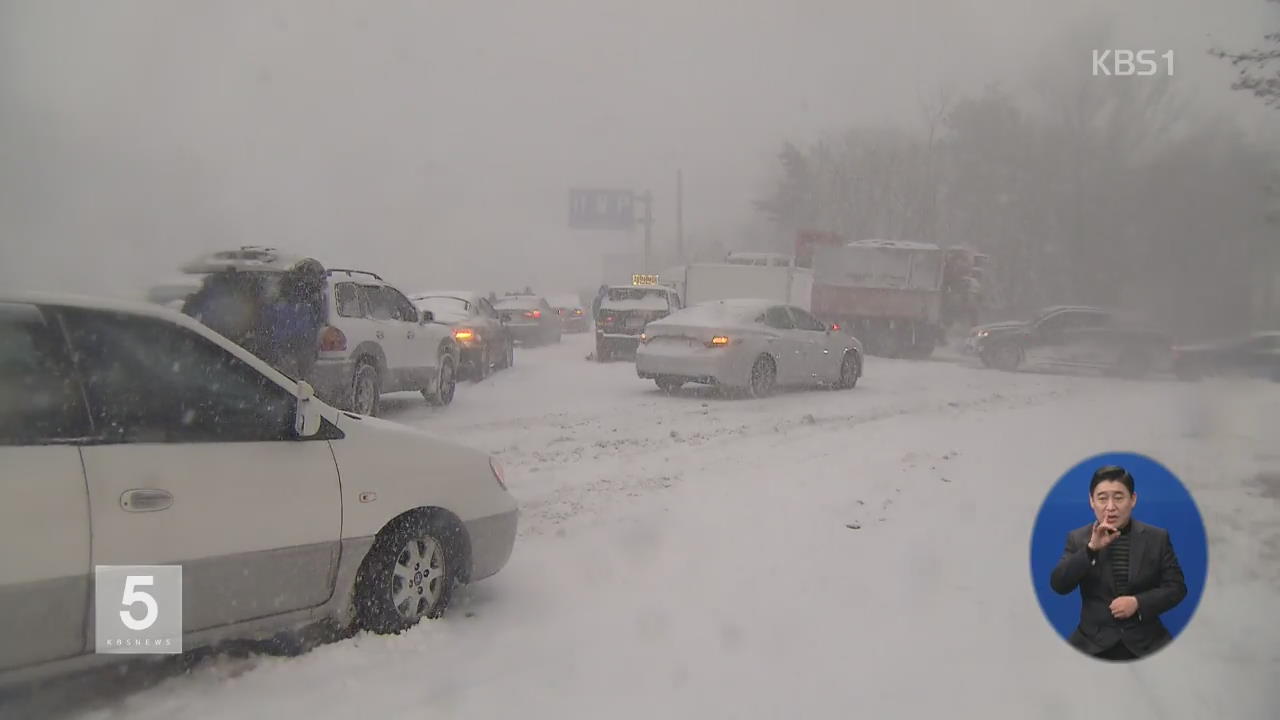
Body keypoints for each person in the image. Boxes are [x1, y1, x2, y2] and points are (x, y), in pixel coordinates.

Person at [1049, 465, 1188, 661]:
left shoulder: (1157, 538)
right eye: (1103, 498)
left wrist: (1138, 603)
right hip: (1091, 643)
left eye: (1119, 497)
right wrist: (1091, 549)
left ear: (1133, 500)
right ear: (1091, 501)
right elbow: (1059, 585)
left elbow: (1177, 588)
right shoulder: (1078, 538)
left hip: (1147, 642)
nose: (1111, 506)